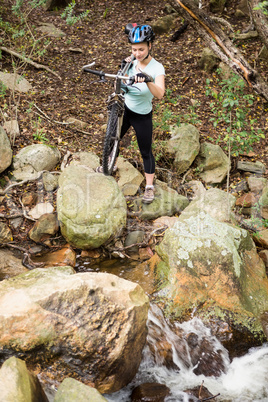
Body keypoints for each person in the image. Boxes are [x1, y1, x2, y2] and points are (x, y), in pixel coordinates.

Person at [98, 24, 165, 204]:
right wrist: (120, 74)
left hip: (142, 115)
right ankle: (109, 165)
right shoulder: (129, 62)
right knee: (114, 138)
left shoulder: (157, 68)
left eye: (141, 49)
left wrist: (148, 80)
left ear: (150, 46)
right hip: (125, 110)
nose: (138, 53)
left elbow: (160, 94)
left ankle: (149, 187)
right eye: (134, 49)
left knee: (145, 151)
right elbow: (120, 83)